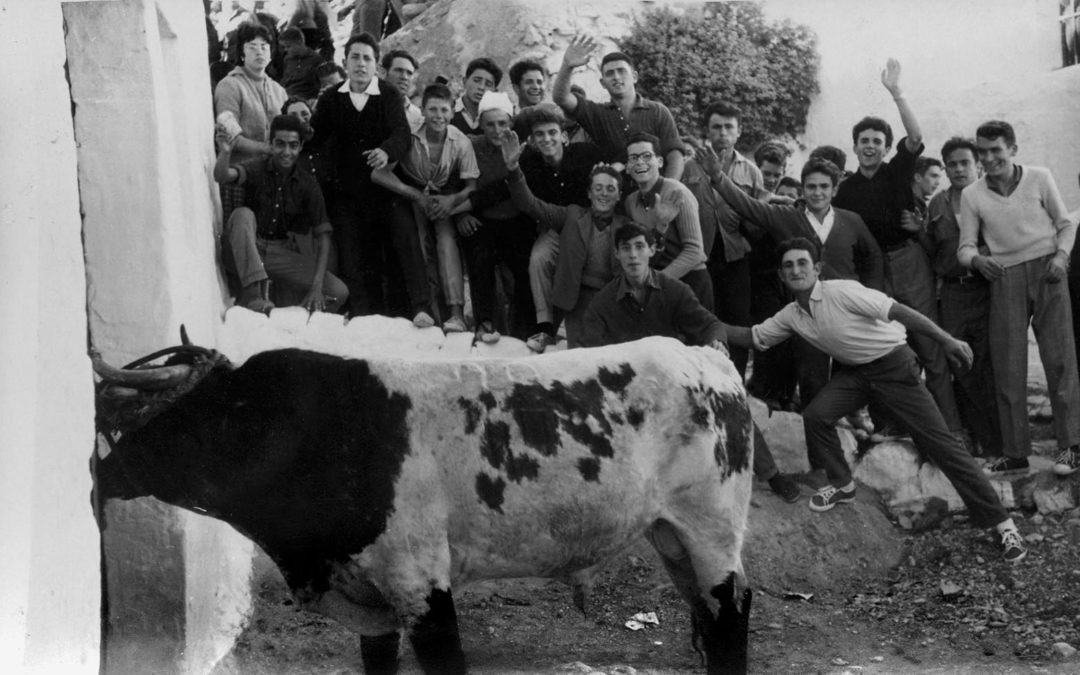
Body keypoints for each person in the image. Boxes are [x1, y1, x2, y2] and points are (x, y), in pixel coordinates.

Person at [723, 237, 1026, 561]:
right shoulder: (792, 315)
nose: (796, 270)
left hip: (895, 368)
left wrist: (946, 339)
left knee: (944, 447)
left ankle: (1004, 526)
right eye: (788, 266)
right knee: (816, 415)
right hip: (857, 375)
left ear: (817, 269)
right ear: (782, 276)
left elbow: (899, 311)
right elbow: (754, 336)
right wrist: (710, 327)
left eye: (802, 263)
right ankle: (842, 484)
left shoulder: (842, 292)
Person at [582, 224, 801, 503]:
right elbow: (589, 353)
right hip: (631, 388)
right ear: (617, 254)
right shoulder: (602, 303)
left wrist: (716, 342)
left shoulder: (673, 289)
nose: (633, 256)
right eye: (626, 248)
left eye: (639, 247)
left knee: (729, 403)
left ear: (652, 250)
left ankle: (772, 475)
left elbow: (709, 324)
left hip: (676, 379)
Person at [832, 59, 961, 441]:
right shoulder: (846, 189)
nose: (870, 146)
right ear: (855, 147)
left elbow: (917, 134)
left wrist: (896, 92)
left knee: (931, 346)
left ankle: (950, 432)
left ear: (887, 147)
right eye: (864, 141)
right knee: (881, 349)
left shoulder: (897, 170)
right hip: (872, 275)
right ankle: (889, 426)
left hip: (909, 263)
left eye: (877, 141)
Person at [701, 149, 884, 409]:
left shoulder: (851, 221)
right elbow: (747, 205)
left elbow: (873, 257)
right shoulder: (785, 217)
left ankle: (851, 419)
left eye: (824, 187)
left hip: (848, 312)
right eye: (811, 186)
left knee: (852, 371)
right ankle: (816, 425)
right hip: (808, 314)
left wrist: (871, 295)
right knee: (813, 376)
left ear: (834, 190)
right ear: (803, 189)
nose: (817, 192)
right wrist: (718, 177)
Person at [958, 120, 1080, 477]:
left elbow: (1066, 224)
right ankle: (1015, 452)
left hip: (1048, 272)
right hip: (1005, 277)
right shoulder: (973, 194)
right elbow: (964, 248)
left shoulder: (1039, 177)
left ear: (1012, 149)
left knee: (1060, 360)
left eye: (996, 150)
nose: (989, 158)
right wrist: (979, 260)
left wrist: (1061, 257)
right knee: (1008, 366)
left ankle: (1071, 447)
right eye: (983, 151)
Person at [308, 32, 411, 316]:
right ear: (345, 61)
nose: (361, 64)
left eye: (367, 58)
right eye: (355, 57)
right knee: (353, 261)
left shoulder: (388, 94)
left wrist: (386, 151)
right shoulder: (332, 97)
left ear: (376, 65)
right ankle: (363, 320)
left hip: (382, 192)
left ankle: (396, 320)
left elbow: (402, 134)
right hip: (346, 194)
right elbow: (313, 139)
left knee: (388, 257)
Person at [498, 127, 626, 347]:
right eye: (598, 188)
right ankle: (546, 328)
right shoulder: (572, 214)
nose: (604, 193)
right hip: (576, 302)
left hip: (612, 304)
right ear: (589, 193)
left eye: (610, 189)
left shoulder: (626, 225)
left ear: (619, 196)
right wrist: (513, 171)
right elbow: (531, 204)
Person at [213, 114, 347, 314]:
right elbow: (222, 176)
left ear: (301, 147)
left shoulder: (307, 183)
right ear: (271, 144)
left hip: (279, 254)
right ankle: (252, 296)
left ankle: (296, 319)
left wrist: (317, 287)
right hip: (244, 249)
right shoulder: (257, 166)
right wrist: (225, 152)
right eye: (280, 144)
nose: (286, 152)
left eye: (293, 145)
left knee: (338, 291)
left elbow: (323, 236)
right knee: (242, 214)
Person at [372, 83, 479, 332]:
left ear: (453, 112)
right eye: (433, 109)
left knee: (446, 241)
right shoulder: (409, 137)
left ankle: (456, 313)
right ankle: (426, 311)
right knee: (420, 244)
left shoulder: (460, 141)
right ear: (423, 110)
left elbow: (471, 186)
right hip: (414, 194)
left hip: (443, 199)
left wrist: (451, 201)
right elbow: (379, 175)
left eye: (444, 110)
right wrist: (415, 195)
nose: (438, 116)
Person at [924, 137, 1001, 457]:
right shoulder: (937, 204)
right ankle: (975, 436)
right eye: (952, 164)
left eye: (964, 162)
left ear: (977, 164)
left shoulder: (992, 196)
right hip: (953, 293)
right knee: (961, 363)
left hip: (987, 289)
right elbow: (932, 250)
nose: (958, 169)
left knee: (992, 364)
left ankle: (1000, 442)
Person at [516, 103, 604, 351]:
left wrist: (613, 168)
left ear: (564, 135)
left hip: (591, 225)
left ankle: (569, 325)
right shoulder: (529, 163)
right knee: (539, 257)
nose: (547, 139)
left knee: (576, 255)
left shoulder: (586, 154)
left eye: (552, 132)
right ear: (532, 140)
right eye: (540, 134)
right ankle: (544, 328)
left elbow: (614, 160)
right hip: (556, 226)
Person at [451, 91, 536, 341]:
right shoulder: (471, 146)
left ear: (511, 122)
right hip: (483, 219)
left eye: (502, 123)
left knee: (524, 269)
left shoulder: (523, 149)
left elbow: (510, 189)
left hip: (516, 220)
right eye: (490, 124)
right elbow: (455, 185)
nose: (497, 130)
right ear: (480, 124)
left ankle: (527, 331)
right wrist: (459, 217)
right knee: (480, 260)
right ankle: (484, 324)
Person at [552, 36, 684, 179]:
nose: (616, 77)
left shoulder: (658, 111)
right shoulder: (597, 114)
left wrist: (667, 191)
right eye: (610, 73)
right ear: (602, 83)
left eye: (621, 71)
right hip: (616, 197)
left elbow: (675, 155)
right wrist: (567, 65)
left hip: (655, 192)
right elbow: (561, 97)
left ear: (634, 77)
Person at [622, 132, 711, 309]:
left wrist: (654, 281)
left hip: (690, 281)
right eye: (634, 158)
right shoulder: (631, 202)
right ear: (628, 166)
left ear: (660, 162)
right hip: (657, 284)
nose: (640, 162)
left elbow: (694, 251)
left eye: (647, 156)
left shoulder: (678, 193)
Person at [213, 22, 289, 222]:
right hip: (238, 177)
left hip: (272, 178)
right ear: (242, 53)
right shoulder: (229, 85)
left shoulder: (278, 91)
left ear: (271, 53)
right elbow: (231, 135)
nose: (259, 52)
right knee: (240, 235)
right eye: (252, 46)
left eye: (264, 46)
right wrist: (267, 149)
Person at [451, 57, 502, 134]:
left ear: (495, 92)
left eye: (488, 84)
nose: (481, 87)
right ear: (465, 81)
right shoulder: (448, 110)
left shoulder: (496, 119)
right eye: (476, 81)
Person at [277, 27, 324, 102]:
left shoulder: (316, 59)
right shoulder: (287, 59)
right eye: (284, 47)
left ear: (299, 42)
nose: (285, 50)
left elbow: (319, 85)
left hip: (305, 99)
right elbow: (285, 80)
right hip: (286, 96)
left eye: (288, 46)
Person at [381, 49, 423, 133]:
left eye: (409, 73)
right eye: (399, 70)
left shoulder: (416, 115)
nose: (405, 77)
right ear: (384, 72)